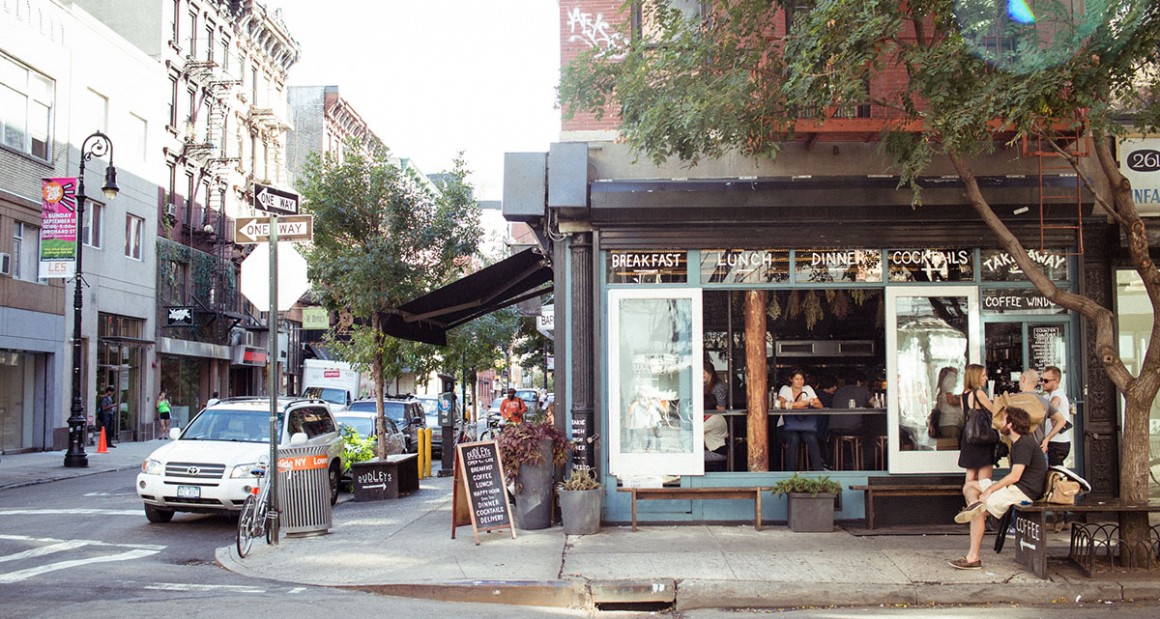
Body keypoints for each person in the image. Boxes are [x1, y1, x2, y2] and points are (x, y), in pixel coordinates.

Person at [949, 406, 1048, 570]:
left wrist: (990, 489)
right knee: (970, 486)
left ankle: (973, 558)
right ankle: (975, 505)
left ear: (1010, 424)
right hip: (1014, 486)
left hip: (1022, 491)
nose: (1000, 423)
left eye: (1003, 419)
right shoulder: (1017, 443)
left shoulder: (1023, 443)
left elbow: (1015, 476)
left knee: (978, 513)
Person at [956, 364, 997, 501]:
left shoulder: (963, 396)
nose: (986, 378)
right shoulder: (979, 393)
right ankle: (980, 511)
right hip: (983, 440)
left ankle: (970, 507)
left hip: (969, 439)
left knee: (970, 476)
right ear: (976, 377)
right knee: (984, 480)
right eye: (983, 375)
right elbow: (995, 411)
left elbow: (966, 416)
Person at [777, 369, 824, 471]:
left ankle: (819, 472)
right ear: (791, 379)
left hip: (805, 426)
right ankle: (790, 473)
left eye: (801, 379)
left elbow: (820, 405)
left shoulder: (807, 389)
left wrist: (810, 402)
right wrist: (798, 405)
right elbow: (779, 405)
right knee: (793, 439)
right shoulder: (785, 389)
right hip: (787, 426)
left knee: (811, 438)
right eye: (796, 379)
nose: (799, 381)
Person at [1040, 366, 1072, 466]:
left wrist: (1047, 438)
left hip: (1057, 443)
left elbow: (1054, 404)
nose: (1042, 383)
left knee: (1055, 476)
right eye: (1041, 380)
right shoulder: (1047, 396)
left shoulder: (1057, 394)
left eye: (1046, 380)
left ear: (1056, 381)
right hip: (1056, 442)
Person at [703, 363, 728, 469]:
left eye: (703, 373)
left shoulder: (718, 387)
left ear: (710, 373)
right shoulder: (703, 385)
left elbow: (721, 408)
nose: (701, 375)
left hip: (716, 448)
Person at [933, 367, 963, 440]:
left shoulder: (941, 391)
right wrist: (964, 400)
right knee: (953, 446)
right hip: (952, 422)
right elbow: (951, 400)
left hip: (945, 422)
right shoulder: (950, 378)